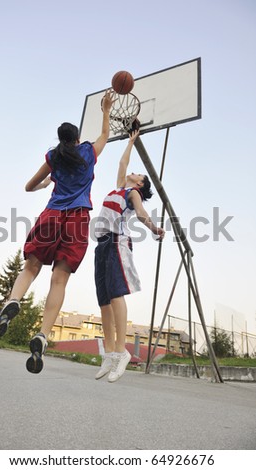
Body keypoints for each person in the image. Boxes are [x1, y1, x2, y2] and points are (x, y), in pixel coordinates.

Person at [0, 90, 114, 374]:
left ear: (60, 139)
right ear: (78, 138)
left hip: (52, 214)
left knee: (31, 266)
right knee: (59, 280)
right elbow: (105, 134)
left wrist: (46, 183)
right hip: (78, 218)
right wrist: (105, 109)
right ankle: (43, 335)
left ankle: (12, 302)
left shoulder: (53, 157)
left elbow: (28, 186)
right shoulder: (88, 152)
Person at [94, 129, 165, 383]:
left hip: (116, 243)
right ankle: (111, 352)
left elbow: (142, 213)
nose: (132, 172)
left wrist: (154, 228)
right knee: (103, 300)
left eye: (138, 175)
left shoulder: (131, 193)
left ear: (140, 184)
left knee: (115, 294)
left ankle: (122, 350)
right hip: (101, 245)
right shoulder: (118, 188)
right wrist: (131, 141)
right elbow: (122, 163)